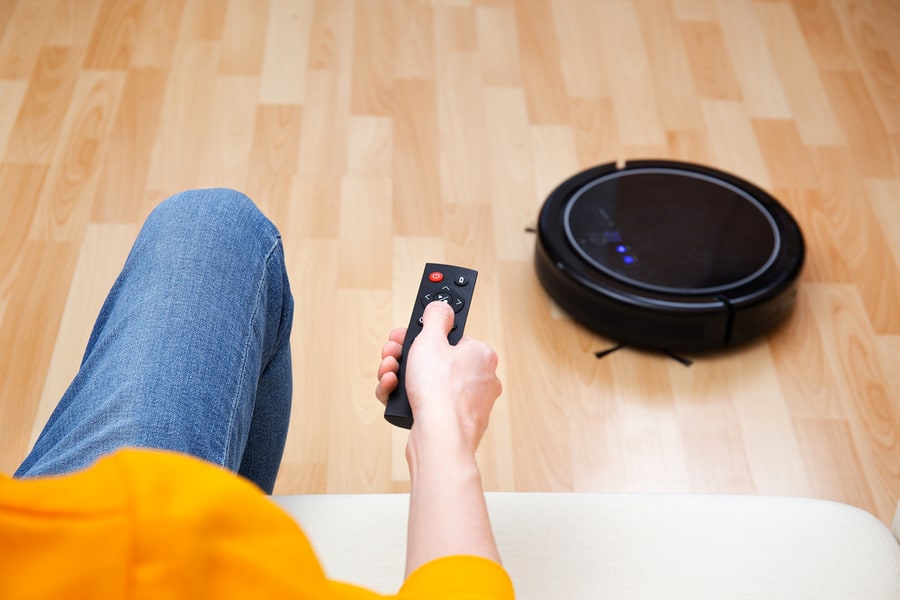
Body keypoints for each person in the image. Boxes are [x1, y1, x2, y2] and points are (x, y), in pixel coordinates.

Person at [0, 189, 513, 599]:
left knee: (210, 222)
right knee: (218, 227)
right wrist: (446, 420)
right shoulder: (147, 549)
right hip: (118, 554)